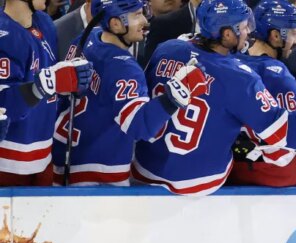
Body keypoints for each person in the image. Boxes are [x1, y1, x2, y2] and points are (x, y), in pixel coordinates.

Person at [134, 0, 296, 195]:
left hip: (143, 168)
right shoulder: (240, 78)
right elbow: (292, 137)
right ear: (227, 34)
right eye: (243, 27)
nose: (249, 33)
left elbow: (144, 106)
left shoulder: (168, 48)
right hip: (197, 182)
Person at [51, 0, 207, 185]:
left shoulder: (87, 38)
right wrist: (174, 97)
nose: (145, 21)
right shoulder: (124, 68)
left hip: (65, 158)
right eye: (136, 15)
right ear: (115, 23)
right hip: (100, 173)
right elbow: (140, 127)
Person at [0, 0, 93, 186]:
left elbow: (47, 77)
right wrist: (44, 84)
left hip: (44, 154)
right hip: (8, 164)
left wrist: (69, 79)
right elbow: (4, 106)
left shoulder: (44, 22)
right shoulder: (4, 35)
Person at [228, 0, 296, 187]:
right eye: (294, 33)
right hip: (266, 169)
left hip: (229, 166)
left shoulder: (230, 61)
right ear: (276, 36)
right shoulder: (276, 72)